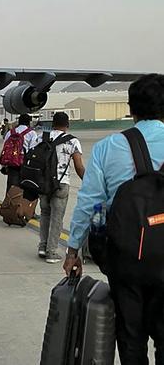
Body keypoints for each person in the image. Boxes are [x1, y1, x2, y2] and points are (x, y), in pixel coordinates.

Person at [64, 74, 164, 364]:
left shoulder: (109, 147)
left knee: (130, 338)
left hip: (126, 258)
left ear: (131, 109)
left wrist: (76, 248)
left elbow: (93, 204)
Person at [36, 112, 85, 263]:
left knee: (45, 214)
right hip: (61, 183)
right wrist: (88, 181)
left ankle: (43, 247)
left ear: (52, 124)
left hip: (43, 183)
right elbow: (78, 166)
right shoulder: (72, 141)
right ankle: (51, 252)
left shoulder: (41, 137)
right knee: (57, 218)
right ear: (67, 125)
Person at [2, 114, 39, 192]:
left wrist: (4, 165)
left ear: (19, 122)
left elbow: (5, 147)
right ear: (29, 122)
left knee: (11, 187)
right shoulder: (32, 133)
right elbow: (32, 149)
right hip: (24, 163)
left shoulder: (10, 132)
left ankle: (9, 202)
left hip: (12, 163)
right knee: (24, 188)